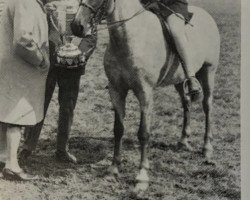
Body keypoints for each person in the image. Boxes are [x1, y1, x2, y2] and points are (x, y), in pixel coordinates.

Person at [20, 0, 97, 163]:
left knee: (67, 106)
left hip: (72, 65)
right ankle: (28, 146)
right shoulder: (44, 1)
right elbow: (29, 24)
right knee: (39, 102)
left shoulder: (84, 3)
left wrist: (79, 55)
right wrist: (42, 13)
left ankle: (62, 149)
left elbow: (91, 35)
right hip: (47, 60)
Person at [0, 0, 50, 180]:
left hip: (11, 64)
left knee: (7, 111)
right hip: (20, 66)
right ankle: (12, 165)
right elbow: (23, 39)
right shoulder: (26, 1)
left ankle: (3, 157)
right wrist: (41, 59)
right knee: (17, 114)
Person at [143, 0, 202, 101]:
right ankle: (120, 76)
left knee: (176, 32)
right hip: (147, 6)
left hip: (173, 5)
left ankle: (191, 77)